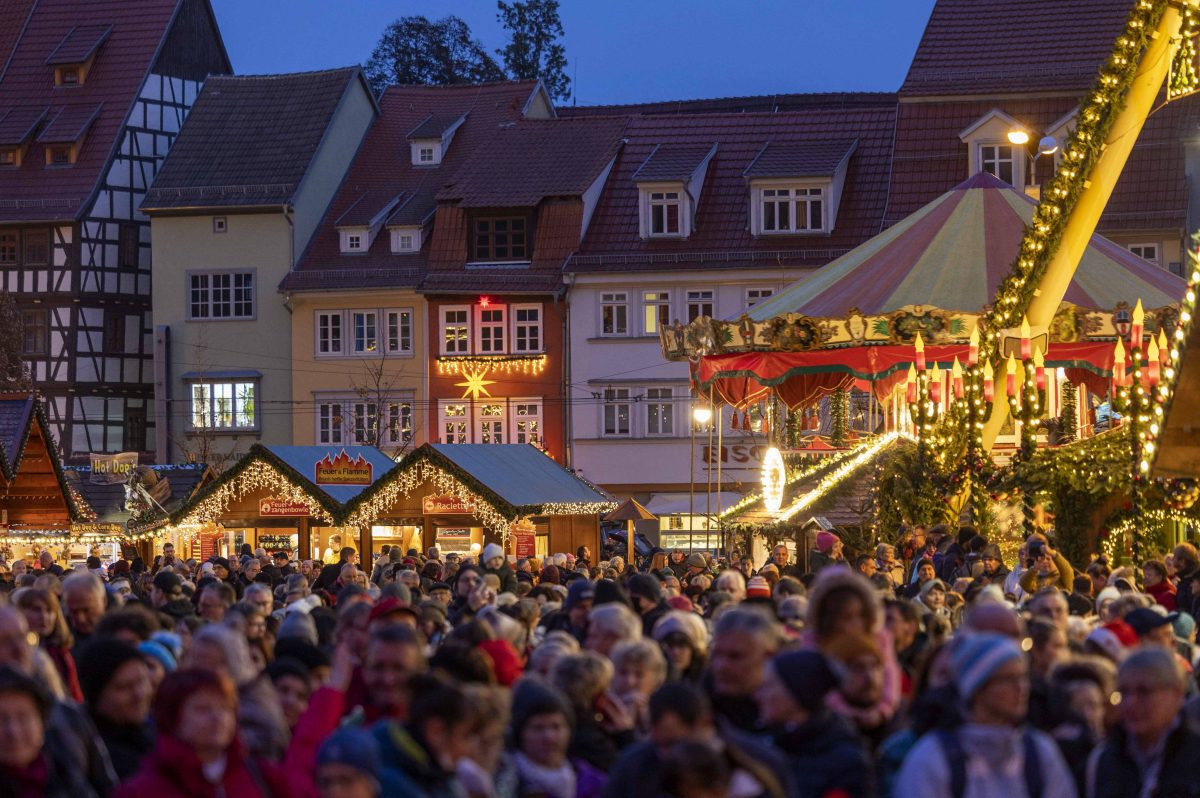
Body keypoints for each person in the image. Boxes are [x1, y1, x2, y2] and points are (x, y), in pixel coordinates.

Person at [893, 633, 1076, 797]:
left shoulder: (1040, 752)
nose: (1021, 687)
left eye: (1023, 677)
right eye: (1008, 679)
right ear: (977, 686)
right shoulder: (933, 758)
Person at [116, 668, 293, 798]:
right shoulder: (142, 791)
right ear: (173, 717)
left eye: (224, 708)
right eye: (203, 709)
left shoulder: (263, 777)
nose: (217, 717)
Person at [757, 649, 872, 798]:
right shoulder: (767, 744)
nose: (758, 695)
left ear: (795, 694)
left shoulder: (844, 765)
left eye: (768, 686)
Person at [1087, 647, 1200, 797]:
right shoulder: (1102, 760)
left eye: (1144, 691)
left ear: (1176, 694)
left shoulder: (1194, 755)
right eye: (1124, 692)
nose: (1130, 703)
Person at [0, 666, 106, 798]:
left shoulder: (67, 777)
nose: (13, 732)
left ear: (42, 724)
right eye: (2, 719)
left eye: (23, 718)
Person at [508, 676, 607, 798]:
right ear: (519, 733)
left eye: (556, 727)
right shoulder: (505, 784)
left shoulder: (594, 783)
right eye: (538, 728)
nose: (549, 737)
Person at [77, 639, 155, 780]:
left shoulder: (153, 734)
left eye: (142, 681)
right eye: (124, 687)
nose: (139, 694)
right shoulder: (96, 755)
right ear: (97, 697)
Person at [706, 608, 781, 732]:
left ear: (767, 657)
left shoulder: (788, 717)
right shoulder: (697, 709)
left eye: (735, 656)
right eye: (717, 654)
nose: (722, 666)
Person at [62, 572, 107, 658]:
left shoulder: (125, 636)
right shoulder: (58, 642)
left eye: (87, 610)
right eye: (73, 612)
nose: (80, 619)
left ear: (103, 601)